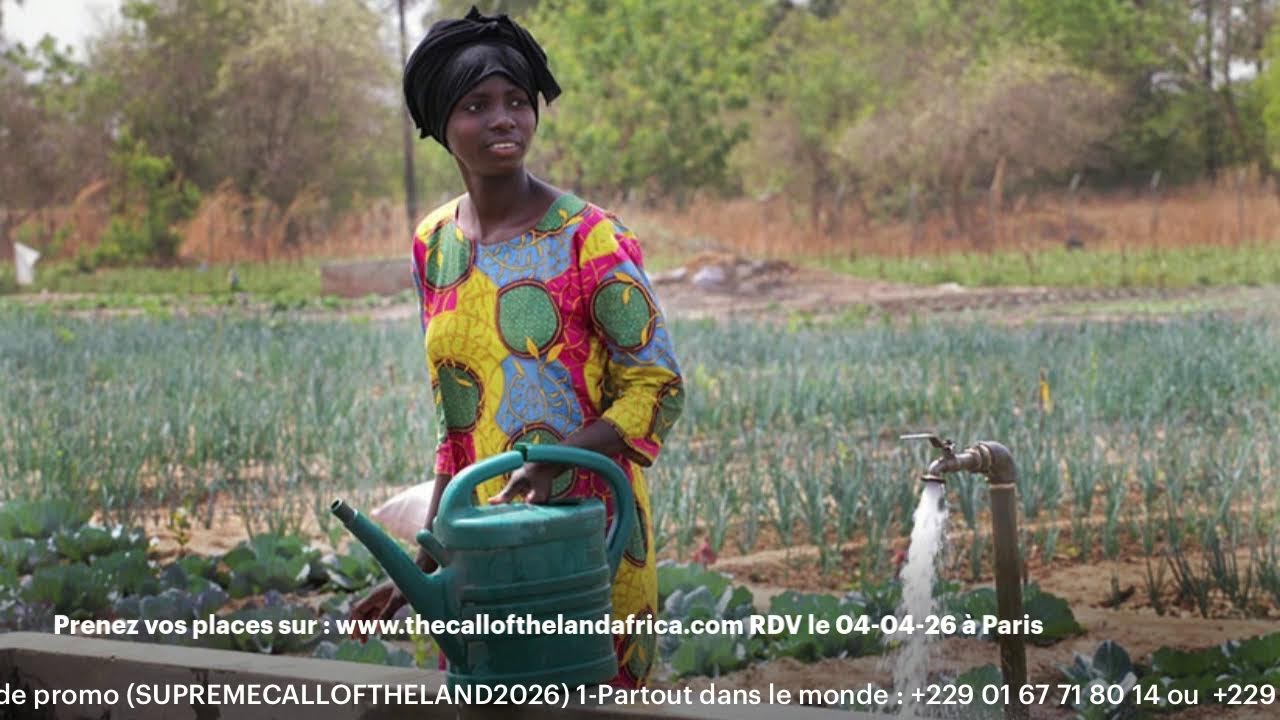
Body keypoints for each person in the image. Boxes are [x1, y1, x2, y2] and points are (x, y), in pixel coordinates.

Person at [349, 7, 684, 689]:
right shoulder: (435, 244)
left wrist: (553, 463)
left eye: (517, 102)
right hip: (483, 539)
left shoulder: (589, 240)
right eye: (478, 105)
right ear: (442, 123)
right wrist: (431, 564)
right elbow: (457, 426)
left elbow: (657, 385)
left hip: (589, 538)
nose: (504, 119)